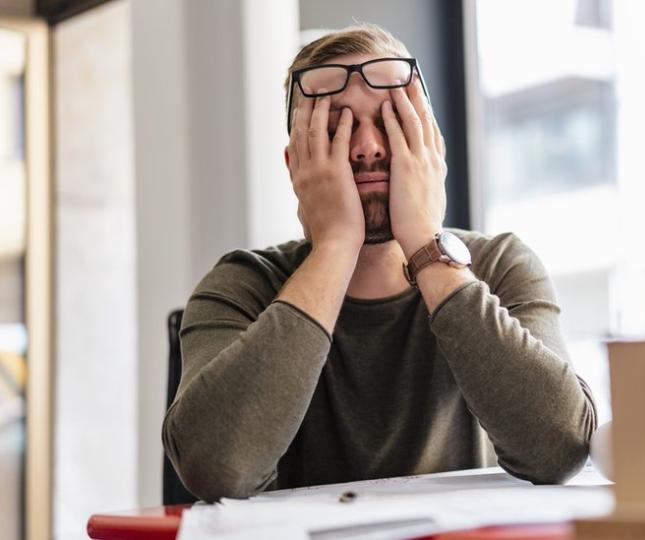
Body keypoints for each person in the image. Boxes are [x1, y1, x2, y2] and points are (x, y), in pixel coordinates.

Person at [162, 23, 597, 502]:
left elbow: (559, 450)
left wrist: (426, 245)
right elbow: (216, 467)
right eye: (334, 130)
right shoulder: (241, 284)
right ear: (295, 166)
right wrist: (335, 246)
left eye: (392, 122)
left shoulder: (499, 266)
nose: (367, 147)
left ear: (432, 147)